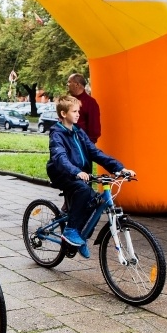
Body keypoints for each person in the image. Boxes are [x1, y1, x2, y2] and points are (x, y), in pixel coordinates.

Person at [46, 95, 135, 259]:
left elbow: (95, 153)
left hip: (80, 174)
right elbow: (60, 158)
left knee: (94, 201)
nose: (78, 114)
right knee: (83, 191)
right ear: (64, 114)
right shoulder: (57, 134)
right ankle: (71, 229)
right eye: (74, 111)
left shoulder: (79, 132)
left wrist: (119, 168)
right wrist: (75, 172)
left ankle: (81, 237)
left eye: (78, 111)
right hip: (63, 173)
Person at [66, 73, 101, 143]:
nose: (67, 84)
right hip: (67, 141)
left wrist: (88, 145)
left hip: (82, 144)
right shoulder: (67, 101)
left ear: (77, 84)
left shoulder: (90, 103)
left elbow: (94, 128)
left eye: (69, 82)